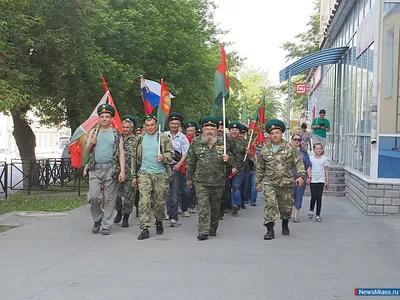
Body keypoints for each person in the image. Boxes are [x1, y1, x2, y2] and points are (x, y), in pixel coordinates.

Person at [256, 120, 306, 240]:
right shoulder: (265, 149)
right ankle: (270, 230)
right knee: (270, 204)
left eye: (277, 132)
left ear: (281, 133)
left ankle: (285, 223)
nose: (274, 135)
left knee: (286, 207)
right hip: (270, 183)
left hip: (286, 183)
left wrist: (301, 175)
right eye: (272, 133)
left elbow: (298, 162)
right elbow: (260, 167)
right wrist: (258, 182)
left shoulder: (290, 147)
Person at [186, 116, 231, 241]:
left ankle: (212, 227)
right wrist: (189, 178)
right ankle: (203, 230)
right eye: (207, 128)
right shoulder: (196, 142)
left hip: (218, 181)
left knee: (215, 207)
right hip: (201, 181)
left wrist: (228, 160)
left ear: (217, 130)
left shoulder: (223, 144)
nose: (210, 131)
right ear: (203, 129)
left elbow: (232, 164)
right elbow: (190, 161)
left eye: (212, 129)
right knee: (203, 206)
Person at [131, 114, 174, 240]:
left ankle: (159, 220)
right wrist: (134, 175)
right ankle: (145, 228)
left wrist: (164, 157)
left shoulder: (163, 138)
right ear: (144, 126)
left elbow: (171, 154)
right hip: (144, 173)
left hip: (160, 173)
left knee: (159, 201)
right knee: (144, 200)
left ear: (156, 125)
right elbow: (134, 157)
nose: (150, 128)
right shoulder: (140, 139)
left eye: (152, 125)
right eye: (147, 125)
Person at [85, 104, 125, 235]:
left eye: (107, 117)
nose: (104, 119)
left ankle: (107, 225)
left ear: (111, 118)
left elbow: (121, 153)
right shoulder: (94, 131)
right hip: (95, 168)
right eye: (102, 117)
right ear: (99, 118)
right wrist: (91, 143)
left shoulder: (116, 134)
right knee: (93, 197)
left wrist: (123, 171)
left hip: (111, 169)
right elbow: (87, 152)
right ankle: (97, 218)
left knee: (109, 198)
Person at [165, 112, 190, 225]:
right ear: (169, 124)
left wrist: (179, 164)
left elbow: (185, 153)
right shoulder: (163, 135)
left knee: (174, 193)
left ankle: (173, 216)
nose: (174, 125)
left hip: (175, 166)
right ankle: (167, 212)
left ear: (179, 125)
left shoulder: (182, 137)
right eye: (172, 123)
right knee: (165, 192)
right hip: (164, 166)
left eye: (176, 123)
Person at [114, 115, 137, 228]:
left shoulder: (136, 140)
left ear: (131, 128)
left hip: (130, 172)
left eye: (127, 127)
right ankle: (119, 211)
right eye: (123, 127)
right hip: (117, 171)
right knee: (116, 196)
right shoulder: (118, 138)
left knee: (129, 197)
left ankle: (126, 217)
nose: (125, 129)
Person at [216, 116, 235, 219]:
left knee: (223, 192)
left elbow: (234, 155)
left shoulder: (230, 141)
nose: (220, 129)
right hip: (212, 171)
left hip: (225, 171)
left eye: (222, 127)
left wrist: (233, 166)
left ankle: (221, 210)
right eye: (218, 126)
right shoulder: (210, 140)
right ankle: (214, 210)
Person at [228, 121, 248, 216]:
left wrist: (249, 152)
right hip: (226, 169)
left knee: (236, 187)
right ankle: (226, 205)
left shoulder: (244, 142)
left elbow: (250, 156)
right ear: (230, 130)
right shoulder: (225, 141)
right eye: (232, 129)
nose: (234, 131)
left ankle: (235, 205)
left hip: (239, 169)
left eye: (236, 130)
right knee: (226, 188)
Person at [291, 133, 312, 223]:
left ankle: (295, 216)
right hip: (288, 177)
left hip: (301, 177)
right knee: (288, 196)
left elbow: (307, 165)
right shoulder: (287, 150)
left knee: (299, 196)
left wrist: (309, 177)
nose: (296, 141)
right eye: (295, 139)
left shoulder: (304, 152)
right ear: (292, 140)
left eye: (298, 140)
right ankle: (286, 214)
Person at [308, 143, 329, 222]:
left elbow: (326, 170)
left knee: (319, 197)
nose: (319, 150)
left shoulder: (324, 159)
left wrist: (327, 181)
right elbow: (309, 168)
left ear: (322, 149)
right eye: (317, 148)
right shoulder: (311, 158)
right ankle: (311, 209)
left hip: (321, 179)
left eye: (320, 148)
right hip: (313, 179)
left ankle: (318, 215)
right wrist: (309, 177)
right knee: (314, 196)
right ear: (314, 150)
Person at [183, 120, 198, 213]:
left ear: (195, 131)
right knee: (185, 186)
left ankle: (192, 204)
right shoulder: (183, 139)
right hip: (185, 165)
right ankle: (184, 204)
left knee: (194, 186)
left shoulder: (198, 141)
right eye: (188, 131)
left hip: (197, 166)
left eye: (191, 131)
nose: (189, 133)